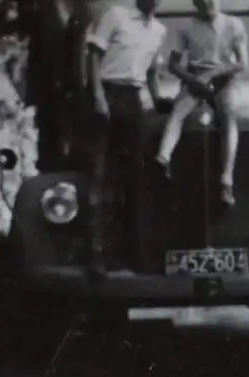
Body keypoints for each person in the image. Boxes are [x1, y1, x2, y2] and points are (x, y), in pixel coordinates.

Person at [85, 0, 169, 277]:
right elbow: (93, 57)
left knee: (131, 177)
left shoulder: (158, 30)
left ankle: (128, 255)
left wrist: (157, 102)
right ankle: (96, 256)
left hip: (134, 99)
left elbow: (150, 73)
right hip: (109, 93)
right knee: (100, 175)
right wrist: (97, 97)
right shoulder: (116, 16)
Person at [154, 0, 249, 207]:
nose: (208, 4)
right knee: (178, 111)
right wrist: (191, 80)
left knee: (229, 115)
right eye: (203, 1)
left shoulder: (234, 25)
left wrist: (214, 74)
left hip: (225, 82)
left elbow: (242, 62)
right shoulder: (186, 28)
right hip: (195, 80)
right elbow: (173, 63)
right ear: (196, 4)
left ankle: (226, 179)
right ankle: (163, 157)